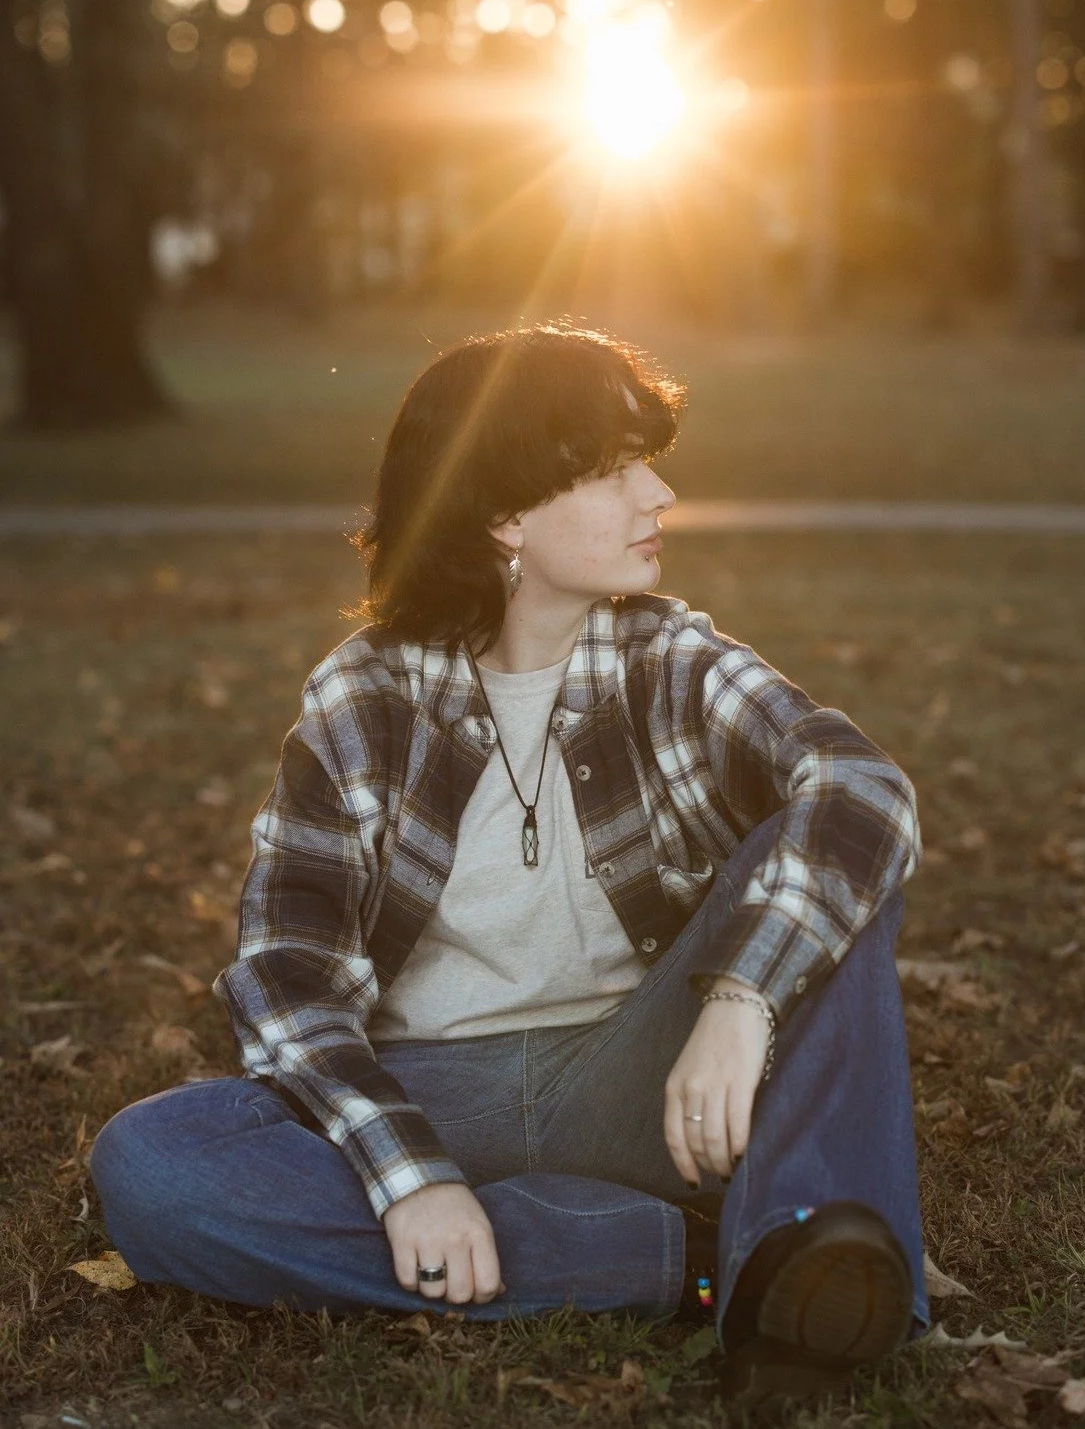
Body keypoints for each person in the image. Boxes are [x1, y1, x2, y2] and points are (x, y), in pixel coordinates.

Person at [90, 320, 929, 1407]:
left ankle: (819, 1265)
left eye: (649, 462)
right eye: (614, 469)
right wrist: (411, 1178)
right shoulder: (366, 696)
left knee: (825, 848)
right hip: (433, 1091)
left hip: (641, 1079)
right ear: (504, 516)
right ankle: (701, 1260)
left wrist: (740, 999)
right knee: (153, 1161)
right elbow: (289, 976)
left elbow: (861, 786)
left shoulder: (670, 658)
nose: (659, 495)